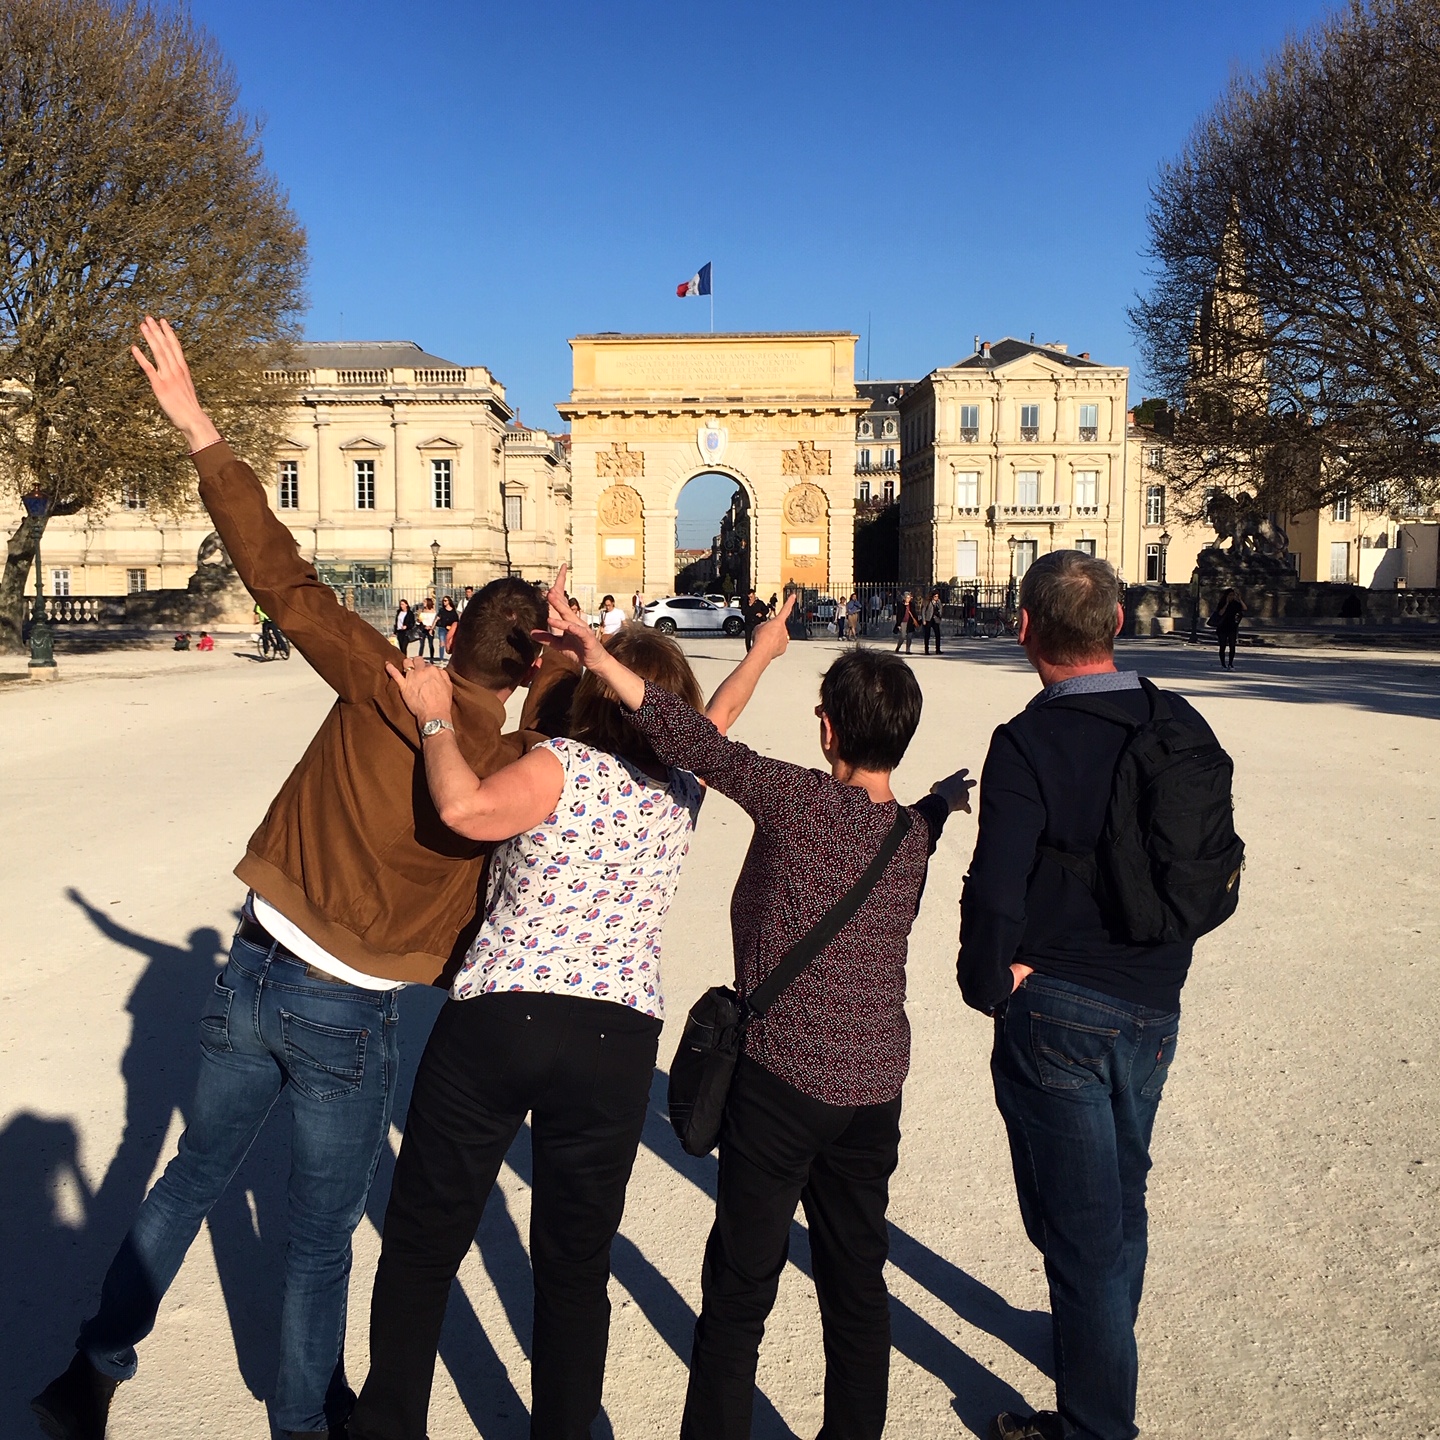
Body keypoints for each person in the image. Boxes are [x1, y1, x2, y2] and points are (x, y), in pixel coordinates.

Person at [30, 316, 553, 1440]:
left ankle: (92, 1368)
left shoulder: (378, 675)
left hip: (253, 970)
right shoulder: (516, 769)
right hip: (351, 1012)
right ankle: (304, 1423)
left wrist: (201, 429)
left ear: (451, 627)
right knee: (317, 1243)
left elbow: (279, 573)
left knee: (185, 1181)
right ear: (534, 667)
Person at [347, 609, 794, 1440]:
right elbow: (716, 724)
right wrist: (762, 653)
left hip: (503, 1014)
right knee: (575, 1266)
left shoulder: (563, 764)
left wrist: (435, 715)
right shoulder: (682, 787)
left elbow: (466, 811)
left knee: (422, 1243)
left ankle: (390, 1427)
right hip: (615, 1039)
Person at [576, 624, 973, 1440]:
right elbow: (919, 815)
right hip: (872, 1086)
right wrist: (943, 797)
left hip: (783, 1079)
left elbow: (691, 740)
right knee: (857, 1283)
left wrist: (599, 655)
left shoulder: (798, 802)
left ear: (826, 727)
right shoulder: (911, 838)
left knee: (740, 1287)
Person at [957, 550, 1224, 1440]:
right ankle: (1101, 1340)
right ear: (1114, 625)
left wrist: (987, 982)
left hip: (1059, 1005)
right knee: (1122, 1192)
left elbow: (997, 887)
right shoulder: (1178, 721)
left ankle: (1096, 1424)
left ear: (1024, 627)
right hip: (1155, 1000)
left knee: (1074, 1228)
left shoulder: (1029, 740)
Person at [1213, 587, 1245, 670]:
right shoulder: (1222, 603)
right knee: (1222, 646)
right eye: (1230, 595)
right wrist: (1226, 604)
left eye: (1233, 595)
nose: (1232, 597)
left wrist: (1240, 600)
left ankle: (1230, 663)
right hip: (1222, 627)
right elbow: (1220, 613)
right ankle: (1223, 664)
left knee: (1232, 646)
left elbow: (1245, 608)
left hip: (1232, 627)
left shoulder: (1236, 604)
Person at [741, 587, 769, 652]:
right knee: (747, 639)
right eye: (749, 597)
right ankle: (749, 652)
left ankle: (755, 651)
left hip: (757, 623)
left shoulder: (759, 603)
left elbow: (766, 610)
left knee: (756, 638)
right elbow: (743, 612)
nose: (750, 598)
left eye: (751, 597)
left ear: (754, 595)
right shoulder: (745, 603)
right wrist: (749, 606)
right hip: (748, 623)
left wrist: (761, 613)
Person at [436, 595, 459, 661]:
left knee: (451, 643)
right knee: (442, 643)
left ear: (449, 601)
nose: (444, 602)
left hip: (450, 629)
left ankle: (452, 658)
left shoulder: (453, 612)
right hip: (442, 629)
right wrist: (432, 628)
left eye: (445, 601)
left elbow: (456, 621)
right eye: (443, 601)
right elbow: (437, 619)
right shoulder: (442, 610)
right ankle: (441, 659)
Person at [921, 589, 943, 655]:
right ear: (932, 596)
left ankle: (938, 649)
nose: (937, 598)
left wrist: (940, 614)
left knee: (938, 634)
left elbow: (941, 609)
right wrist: (924, 620)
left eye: (937, 596)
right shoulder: (927, 602)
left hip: (935, 619)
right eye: (935, 596)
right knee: (927, 635)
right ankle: (926, 650)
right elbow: (923, 611)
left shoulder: (938, 602)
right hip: (928, 619)